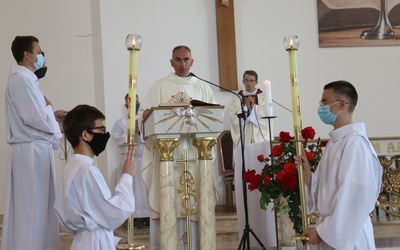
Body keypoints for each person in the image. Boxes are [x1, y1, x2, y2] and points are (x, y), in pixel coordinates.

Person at [139, 45, 216, 249]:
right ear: (171, 62)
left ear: (192, 61)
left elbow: (215, 118)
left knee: (197, 202)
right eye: (178, 59)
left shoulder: (203, 87)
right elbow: (144, 117)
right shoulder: (160, 86)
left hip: (198, 155)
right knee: (168, 201)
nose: (182, 64)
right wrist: (145, 117)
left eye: (186, 59)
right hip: (167, 156)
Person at [294, 80, 382, 249]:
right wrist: (308, 175)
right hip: (332, 230)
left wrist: (321, 231)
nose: (321, 107)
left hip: (348, 235)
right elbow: (328, 189)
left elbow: (354, 196)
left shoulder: (355, 144)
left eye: (325, 102)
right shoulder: (336, 142)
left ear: (342, 104)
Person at [3, 35, 66, 250]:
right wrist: (48, 109)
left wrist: (52, 113)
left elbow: (39, 115)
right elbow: (34, 117)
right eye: (39, 51)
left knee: (41, 207)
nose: (42, 55)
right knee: (31, 209)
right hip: (30, 150)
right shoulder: (20, 80)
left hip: (37, 148)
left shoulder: (29, 81)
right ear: (27, 55)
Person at [54, 104, 137, 249]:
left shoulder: (72, 166)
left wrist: (112, 239)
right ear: (85, 135)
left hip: (86, 240)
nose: (105, 134)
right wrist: (127, 176)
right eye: (101, 129)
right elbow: (113, 213)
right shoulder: (86, 170)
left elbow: (91, 217)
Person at [228, 70, 276, 248]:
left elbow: (266, 116)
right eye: (246, 80)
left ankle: (266, 231)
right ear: (243, 81)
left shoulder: (263, 97)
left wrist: (253, 109)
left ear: (256, 81)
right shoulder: (236, 97)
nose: (248, 83)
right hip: (244, 143)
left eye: (251, 80)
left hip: (259, 143)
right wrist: (245, 109)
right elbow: (232, 118)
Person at [111, 93, 151, 228]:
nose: (134, 104)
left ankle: (146, 217)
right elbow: (117, 138)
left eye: (137, 102)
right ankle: (130, 219)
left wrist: (139, 131)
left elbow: (147, 139)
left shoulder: (144, 120)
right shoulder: (120, 122)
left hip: (142, 160)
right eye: (131, 102)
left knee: (143, 190)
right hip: (128, 159)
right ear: (126, 105)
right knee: (129, 190)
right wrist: (132, 132)